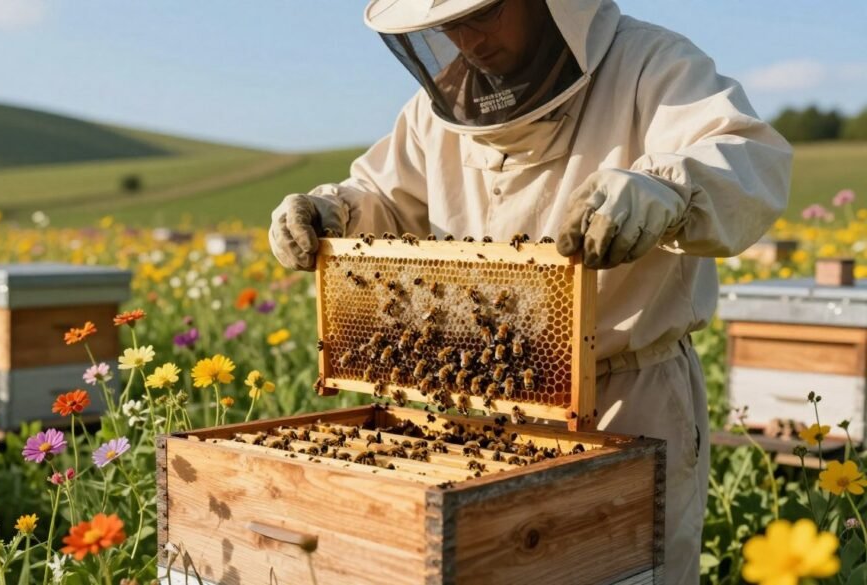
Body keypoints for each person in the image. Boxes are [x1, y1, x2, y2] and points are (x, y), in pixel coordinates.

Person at [269, 0, 792, 582]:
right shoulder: (439, 105)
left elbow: (749, 160)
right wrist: (331, 211)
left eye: (483, 15)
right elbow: (387, 200)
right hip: (485, 400)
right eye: (447, 27)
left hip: (631, 397)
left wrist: (666, 189)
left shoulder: (652, 65)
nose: (467, 42)